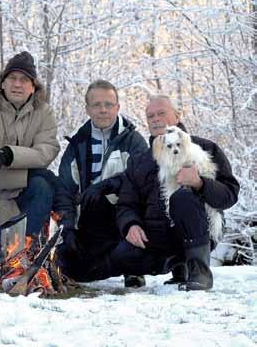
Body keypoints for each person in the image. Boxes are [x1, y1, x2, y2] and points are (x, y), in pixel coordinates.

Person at [99, 95, 239, 290]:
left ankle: (199, 273)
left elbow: (230, 195)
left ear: (177, 115)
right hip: (156, 239)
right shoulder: (139, 161)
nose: (155, 119)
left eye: (161, 113)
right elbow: (126, 204)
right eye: (150, 116)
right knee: (120, 255)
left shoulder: (206, 148)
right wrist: (130, 225)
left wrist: (200, 183)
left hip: (199, 232)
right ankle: (170, 267)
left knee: (182, 197)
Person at [0, 51, 60, 274]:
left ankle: (26, 257)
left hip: (28, 199)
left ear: (33, 87)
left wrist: (8, 155)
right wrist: (29, 173)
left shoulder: (45, 114)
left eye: (25, 80)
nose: (18, 84)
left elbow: (46, 152)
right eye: (13, 78)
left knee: (42, 186)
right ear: (2, 83)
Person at [55, 80, 148, 287]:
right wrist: (67, 227)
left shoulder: (133, 141)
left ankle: (132, 268)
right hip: (89, 218)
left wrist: (107, 186)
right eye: (96, 105)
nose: (103, 110)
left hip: (124, 215)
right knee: (72, 267)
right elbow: (64, 191)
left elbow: (142, 180)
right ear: (87, 109)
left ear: (118, 107)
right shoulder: (77, 144)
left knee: (131, 249)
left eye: (108, 104)